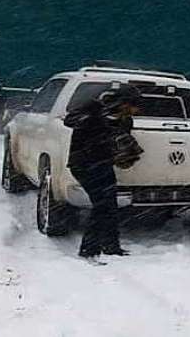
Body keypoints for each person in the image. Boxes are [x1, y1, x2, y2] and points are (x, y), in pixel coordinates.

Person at [64, 83, 142, 259]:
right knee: (101, 205)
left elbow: (120, 140)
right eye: (133, 106)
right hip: (83, 164)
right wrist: (95, 120)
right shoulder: (94, 107)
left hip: (104, 163)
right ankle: (88, 249)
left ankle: (111, 246)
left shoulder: (125, 120)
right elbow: (69, 120)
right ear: (123, 102)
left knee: (110, 206)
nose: (135, 111)